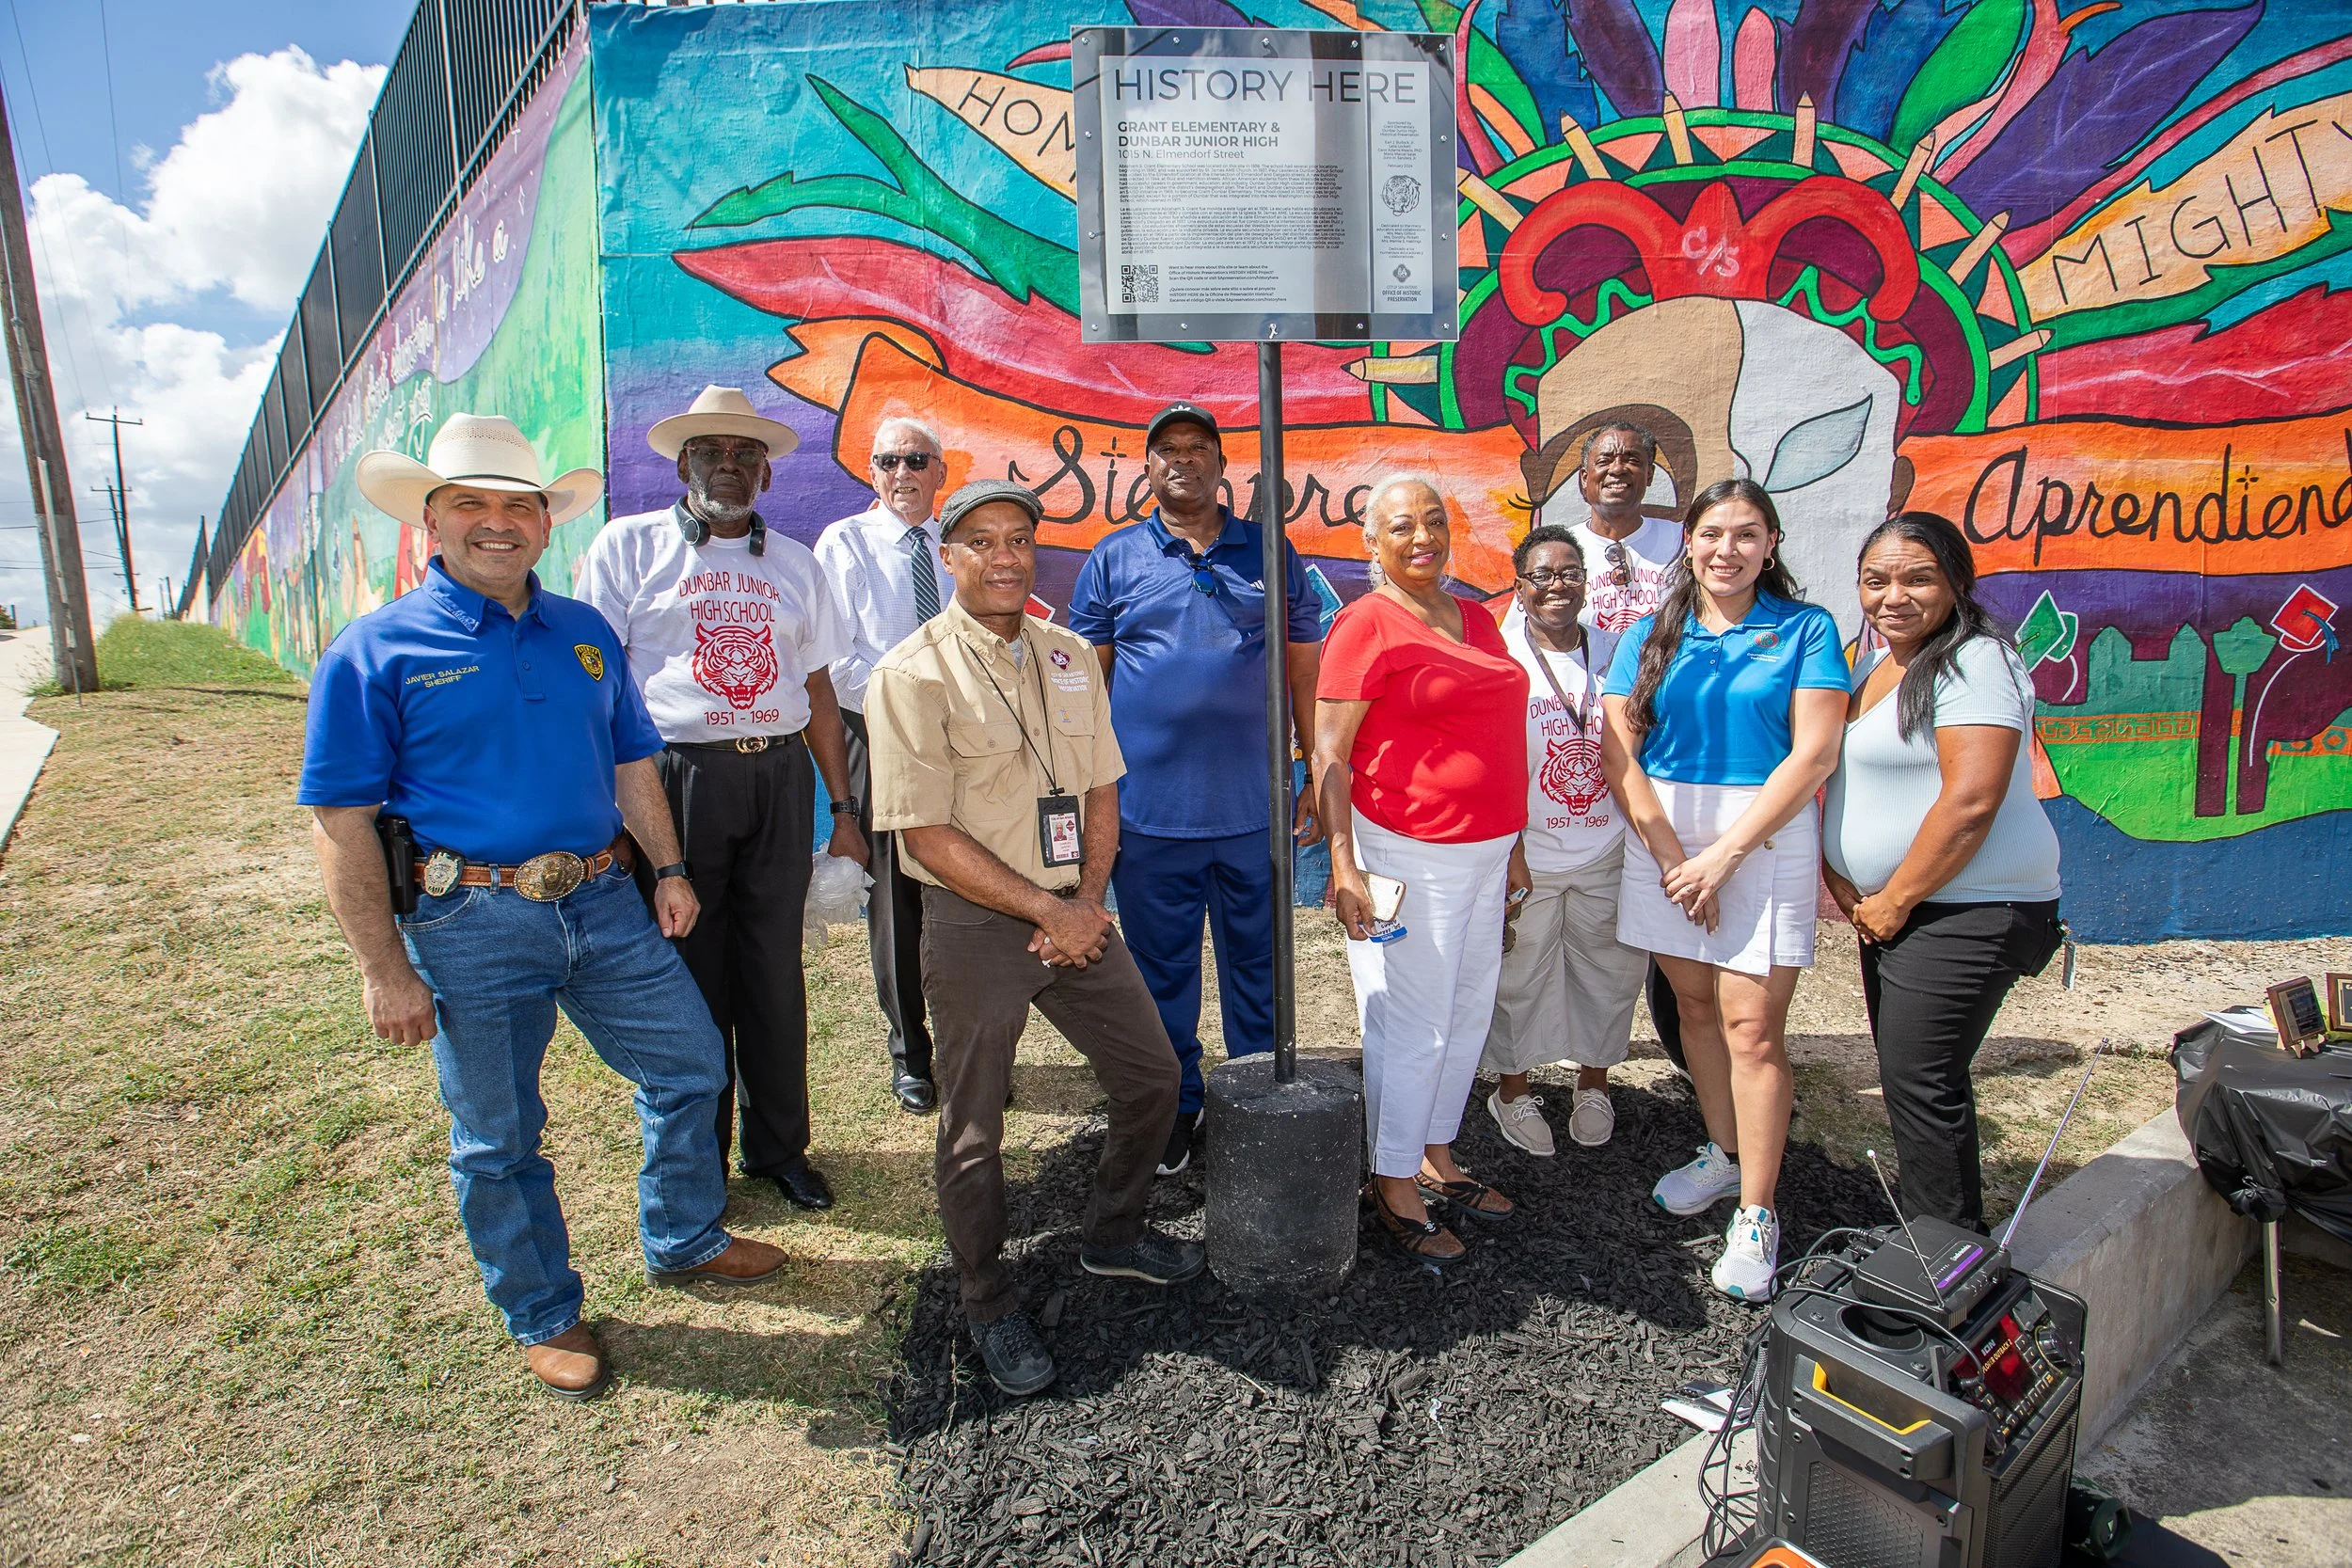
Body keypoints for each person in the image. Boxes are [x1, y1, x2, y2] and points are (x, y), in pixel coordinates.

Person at [302, 413, 786, 1402]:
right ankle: (540, 1307)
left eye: (516, 506)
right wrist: (384, 969)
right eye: (470, 505)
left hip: (605, 900)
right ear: (432, 519)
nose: (496, 524)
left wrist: (670, 868)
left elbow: (630, 759)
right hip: (468, 921)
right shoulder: (374, 650)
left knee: (691, 1065)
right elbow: (341, 821)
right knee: (497, 1133)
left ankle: (685, 1233)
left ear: (543, 522)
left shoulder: (583, 632)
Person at [867, 479, 1200, 1397]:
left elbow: (1098, 787)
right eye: (982, 541)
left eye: (1019, 538)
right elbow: (923, 834)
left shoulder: (1065, 654)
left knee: (1153, 1075)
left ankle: (1114, 1232)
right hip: (976, 924)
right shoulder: (911, 673)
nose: (1006, 555)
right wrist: (1046, 911)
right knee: (975, 1128)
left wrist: (1085, 898)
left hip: (1076, 909)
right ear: (950, 555)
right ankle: (986, 1295)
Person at [574, 385, 866, 1213]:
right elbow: (596, 692)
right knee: (689, 970)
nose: (728, 467)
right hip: (677, 777)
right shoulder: (627, 548)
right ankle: (698, 1151)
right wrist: (617, 817)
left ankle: (780, 1148)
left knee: (774, 969)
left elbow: (816, 690)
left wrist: (842, 813)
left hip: (776, 777)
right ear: (682, 464)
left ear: (767, 472)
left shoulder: (798, 563)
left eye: (745, 455)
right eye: (711, 453)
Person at [1598, 478, 1849, 1302]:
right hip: (1665, 837)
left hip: (1762, 838)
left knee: (1753, 1028)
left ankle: (1756, 1211)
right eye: (1711, 533)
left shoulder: (1805, 629)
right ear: (1690, 542)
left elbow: (1812, 756)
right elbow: (1621, 757)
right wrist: (1677, 856)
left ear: (1771, 543)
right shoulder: (1650, 634)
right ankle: (1722, 1150)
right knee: (1695, 1008)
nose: (1726, 549)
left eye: (1746, 534)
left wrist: (1724, 857)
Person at [1066, 402, 1325, 1177]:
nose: (1183, 459)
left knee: (1259, 970)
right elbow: (1086, 683)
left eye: (1198, 447)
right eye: (1167, 449)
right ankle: (1176, 1104)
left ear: (1221, 465)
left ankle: (1250, 1105)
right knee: (1161, 975)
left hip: (1254, 813)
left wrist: (1311, 769)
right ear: (1146, 469)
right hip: (1148, 818)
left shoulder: (1269, 551)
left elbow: (1303, 666)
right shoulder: (1114, 558)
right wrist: (1086, 793)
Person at [1823, 513, 2064, 1234]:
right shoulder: (1878, 663)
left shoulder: (1974, 661)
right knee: (1916, 1078)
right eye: (1876, 580)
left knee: (1921, 1082)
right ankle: (1935, 1230)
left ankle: (1947, 1255)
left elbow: (1971, 800)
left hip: (1967, 907)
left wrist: (1895, 897)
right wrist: (1847, 881)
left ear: (1958, 582)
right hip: (1902, 909)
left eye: (1916, 578)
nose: (1892, 595)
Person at [1316, 476, 1530, 1268]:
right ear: (1372, 544)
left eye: (1434, 521)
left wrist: (1513, 842)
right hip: (1408, 851)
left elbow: (1499, 729)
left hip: (1484, 850)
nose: (1421, 536)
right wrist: (1343, 862)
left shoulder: (1476, 615)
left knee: (1469, 1008)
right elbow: (1330, 754)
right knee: (1416, 1022)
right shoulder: (1364, 623)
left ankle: (1437, 1151)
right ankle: (1393, 1179)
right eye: (1400, 525)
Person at [1485, 527, 1648, 1155]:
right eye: (1542, 575)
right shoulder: (1503, 658)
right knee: (1518, 976)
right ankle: (1513, 1089)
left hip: (1609, 844)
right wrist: (1510, 846)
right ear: (1520, 586)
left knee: (1607, 970)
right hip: (1531, 849)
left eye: (1569, 572)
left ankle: (1593, 1082)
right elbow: (1492, 761)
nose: (1558, 585)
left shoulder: (1620, 650)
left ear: (1587, 581)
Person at [815, 416, 955, 1114]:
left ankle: (969, 1043)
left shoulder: (958, 543)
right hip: (880, 733)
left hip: (967, 743)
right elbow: (837, 659)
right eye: (888, 460)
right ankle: (912, 1054)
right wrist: (916, 704)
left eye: (916, 460)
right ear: (872, 472)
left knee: (970, 890)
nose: (902, 472)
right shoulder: (845, 543)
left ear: (941, 473)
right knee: (897, 902)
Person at [1558, 421, 1692, 1071]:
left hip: (1672, 750)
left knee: (1672, 895)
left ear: (1650, 474)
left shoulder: (1684, 545)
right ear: (1583, 478)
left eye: (1633, 459)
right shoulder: (1557, 550)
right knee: (1593, 914)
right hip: (1582, 755)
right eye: (1604, 460)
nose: (1618, 469)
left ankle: (1687, 1042)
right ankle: (1573, 1048)